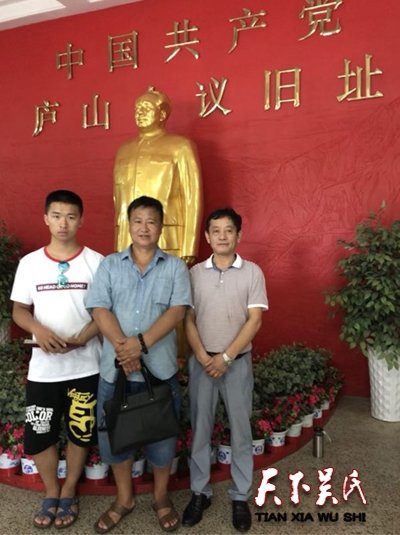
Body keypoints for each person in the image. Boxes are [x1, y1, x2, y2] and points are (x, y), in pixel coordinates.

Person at [86, 195, 192, 533]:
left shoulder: (175, 268)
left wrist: (140, 345)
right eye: (138, 221)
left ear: (161, 227)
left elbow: (177, 311)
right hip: (114, 372)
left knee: (162, 440)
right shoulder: (110, 265)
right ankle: (124, 498)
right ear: (128, 225)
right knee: (115, 440)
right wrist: (125, 349)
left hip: (159, 372)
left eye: (151, 221)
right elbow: (99, 308)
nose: (144, 227)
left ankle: (161, 497)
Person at [10, 190, 103, 529]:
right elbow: (19, 310)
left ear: (81, 220)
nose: (64, 223)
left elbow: (105, 312)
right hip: (44, 370)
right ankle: (51, 491)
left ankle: (69, 489)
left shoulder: (97, 262)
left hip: (86, 365)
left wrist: (85, 336)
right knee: (40, 434)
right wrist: (39, 329)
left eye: (71, 216)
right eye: (57, 215)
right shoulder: (30, 263)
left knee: (80, 431)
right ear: (46, 219)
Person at [182, 208, 268, 533]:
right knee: (200, 429)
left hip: (237, 363)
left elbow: (255, 320)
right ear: (207, 236)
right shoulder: (194, 273)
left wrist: (227, 357)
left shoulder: (252, 272)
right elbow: (187, 318)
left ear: (238, 235)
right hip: (202, 362)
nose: (222, 236)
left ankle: (240, 496)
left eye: (228, 230)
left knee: (241, 431)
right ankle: (199, 493)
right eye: (215, 230)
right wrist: (202, 355)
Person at [113, 87, 203, 264]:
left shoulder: (180, 147)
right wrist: (119, 240)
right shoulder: (124, 150)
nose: (140, 113)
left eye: (147, 108)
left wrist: (189, 245)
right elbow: (118, 201)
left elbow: (192, 197)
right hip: (126, 241)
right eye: (137, 108)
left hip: (168, 240)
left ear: (161, 114)